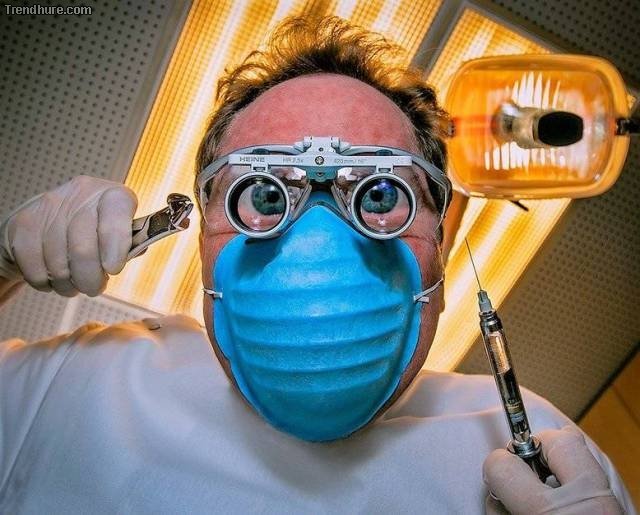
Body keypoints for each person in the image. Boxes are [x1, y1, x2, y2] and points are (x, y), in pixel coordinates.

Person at [0, 16, 634, 514]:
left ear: (439, 244)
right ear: (203, 237)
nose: (318, 239)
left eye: (378, 194)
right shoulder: (83, 378)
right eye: (266, 194)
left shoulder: (541, 452)